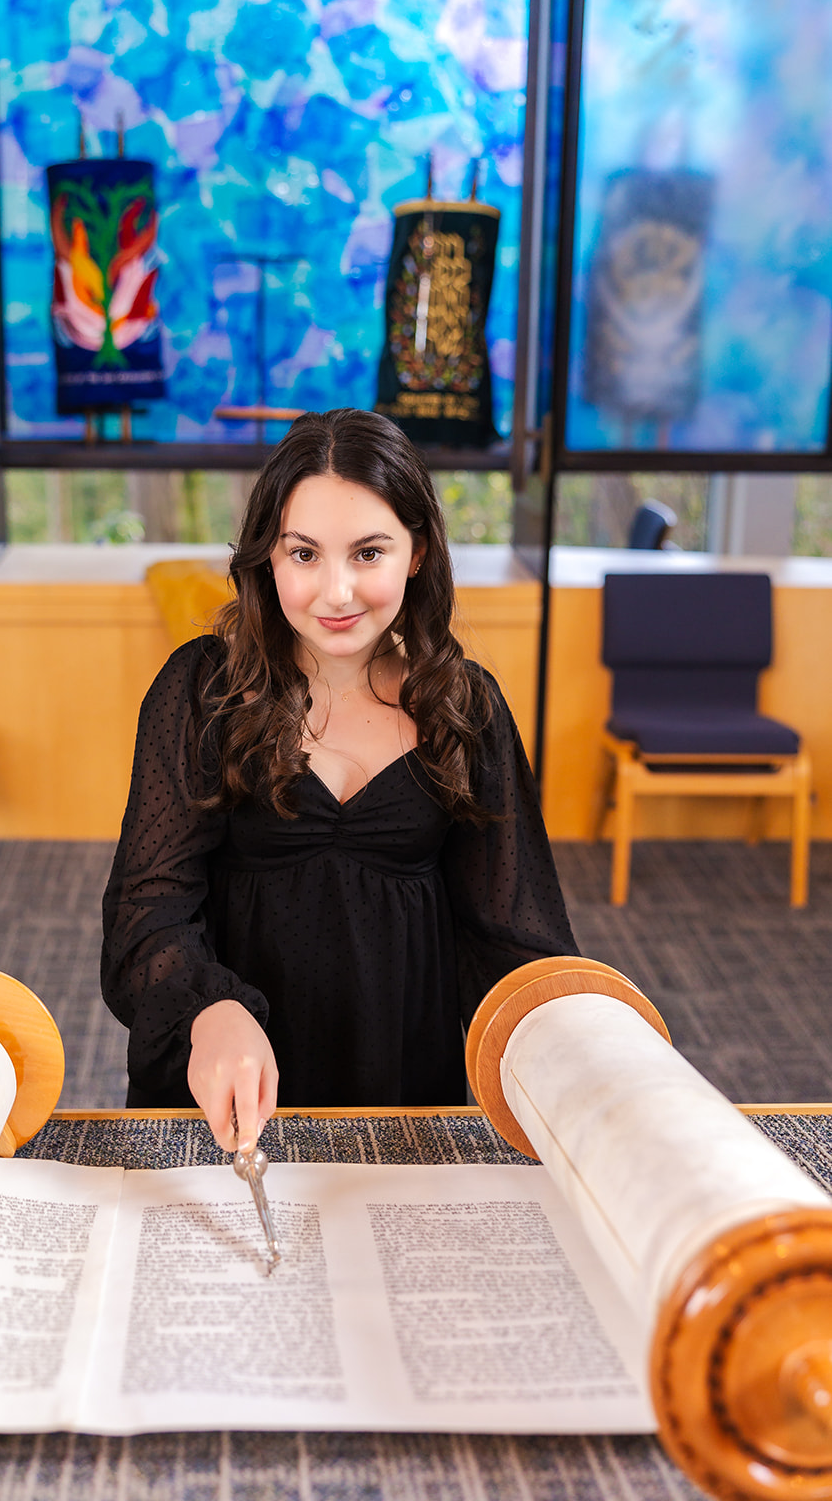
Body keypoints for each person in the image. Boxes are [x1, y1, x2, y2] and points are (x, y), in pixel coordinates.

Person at [101, 408, 576, 1153]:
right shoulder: (199, 690)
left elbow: (513, 938)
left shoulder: (465, 708)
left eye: (366, 554)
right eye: (303, 555)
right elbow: (145, 913)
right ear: (268, 555)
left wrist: (582, 1044)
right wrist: (207, 1010)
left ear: (416, 553)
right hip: (222, 1083)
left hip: (396, 1079)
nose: (334, 593)